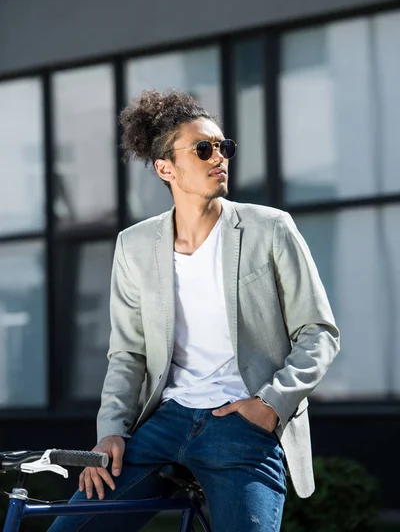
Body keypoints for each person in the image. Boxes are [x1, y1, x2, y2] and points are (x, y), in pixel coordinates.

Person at [48, 89, 340, 532]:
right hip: (163, 424)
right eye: (203, 149)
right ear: (165, 168)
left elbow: (318, 331)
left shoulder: (270, 228)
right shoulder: (134, 245)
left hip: (242, 426)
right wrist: (110, 430)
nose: (218, 157)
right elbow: (128, 353)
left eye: (224, 146)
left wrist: (269, 404)